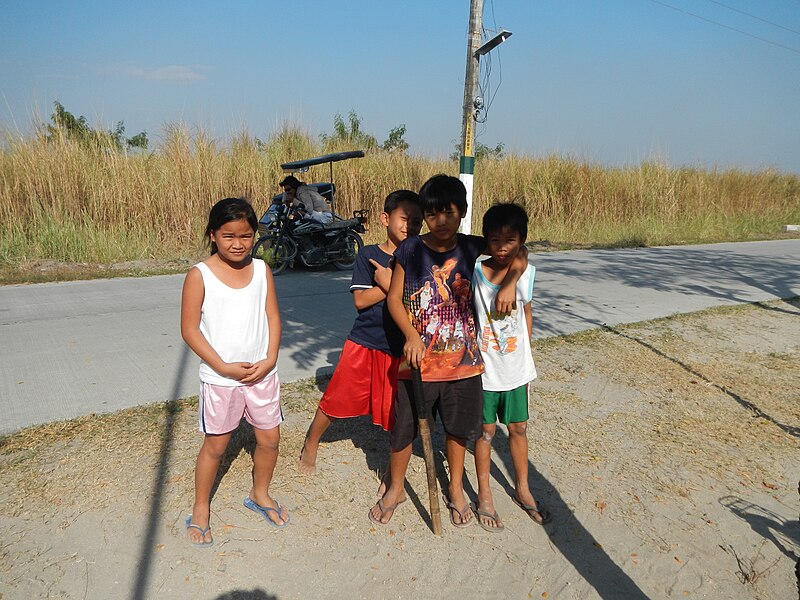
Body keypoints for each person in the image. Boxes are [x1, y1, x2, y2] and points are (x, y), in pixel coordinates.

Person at [370, 174, 528, 527]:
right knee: (403, 431)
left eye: (450, 214)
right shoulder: (410, 250)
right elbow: (394, 300)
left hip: (464, 364)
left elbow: (520, 251)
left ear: (463, 213)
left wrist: (511, 283)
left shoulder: (472, 247)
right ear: (424, 216)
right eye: (432, 215)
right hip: (418, 364)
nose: (441, 223)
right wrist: (411, 335)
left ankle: (456, 488)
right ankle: (395, 488)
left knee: (458, 432)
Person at [181, 197, 288, 547]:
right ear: (213, 234)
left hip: (262, 374)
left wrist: (271, 357)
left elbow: (272, 316)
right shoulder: (200, 275)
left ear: (254, 234)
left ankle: (260, 493)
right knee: (215, 446)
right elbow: (190, 330)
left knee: (270, 439)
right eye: (228, 236)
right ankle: (200, 508)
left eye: (245, 235)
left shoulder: (262, 271)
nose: (237, 243)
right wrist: (222, 366)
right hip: (220, 380)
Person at [299, 190, 423, 475]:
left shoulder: (419, 258)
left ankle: (392, 472)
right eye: (404, 219)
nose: (410, 226)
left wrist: (391, 282)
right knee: (336, 398)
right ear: (385, 218)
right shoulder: (369, 255)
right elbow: (360, 301)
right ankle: (311, 442)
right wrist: (385, 285)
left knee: (399, 410)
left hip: (400, 345)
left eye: (416, 221)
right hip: (365, 341)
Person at [472, 202, 550, 532]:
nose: (502, 248)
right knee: (486, 433)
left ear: (520, 241)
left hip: (517, 370)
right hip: (486, 371)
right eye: (494, 241)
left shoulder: (525, 272)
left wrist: (526, 353)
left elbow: (527, 312)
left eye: (510, 241)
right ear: (485, 240)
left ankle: (522, 487)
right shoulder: (475, 272)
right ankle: (485, 494)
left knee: (518, 429)